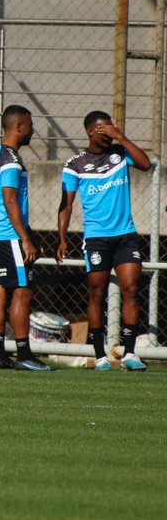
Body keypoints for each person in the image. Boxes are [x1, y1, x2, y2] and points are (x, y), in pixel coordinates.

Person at [57, 111, 152, 371]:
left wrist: (120, 136)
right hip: (96, 238)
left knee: (131, 289)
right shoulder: (75, 164)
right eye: (103, 128)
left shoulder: (120, 153)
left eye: (111, 126)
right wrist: (62, 238)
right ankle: (100, 355)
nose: (108, 131)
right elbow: (65, 205)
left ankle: (130, 353)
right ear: (90, 131)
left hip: (125, 235)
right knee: (97, 293)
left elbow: (145, 164)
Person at [0, 105, 54, 371]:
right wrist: (25, 238)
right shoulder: (10, 159)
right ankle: (23, 355)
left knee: (0, 293)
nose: (32, 130)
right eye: (30, 125)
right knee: (22, 292)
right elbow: (10, 200)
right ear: (19, 126)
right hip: (7, 235)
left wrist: (28, 233)